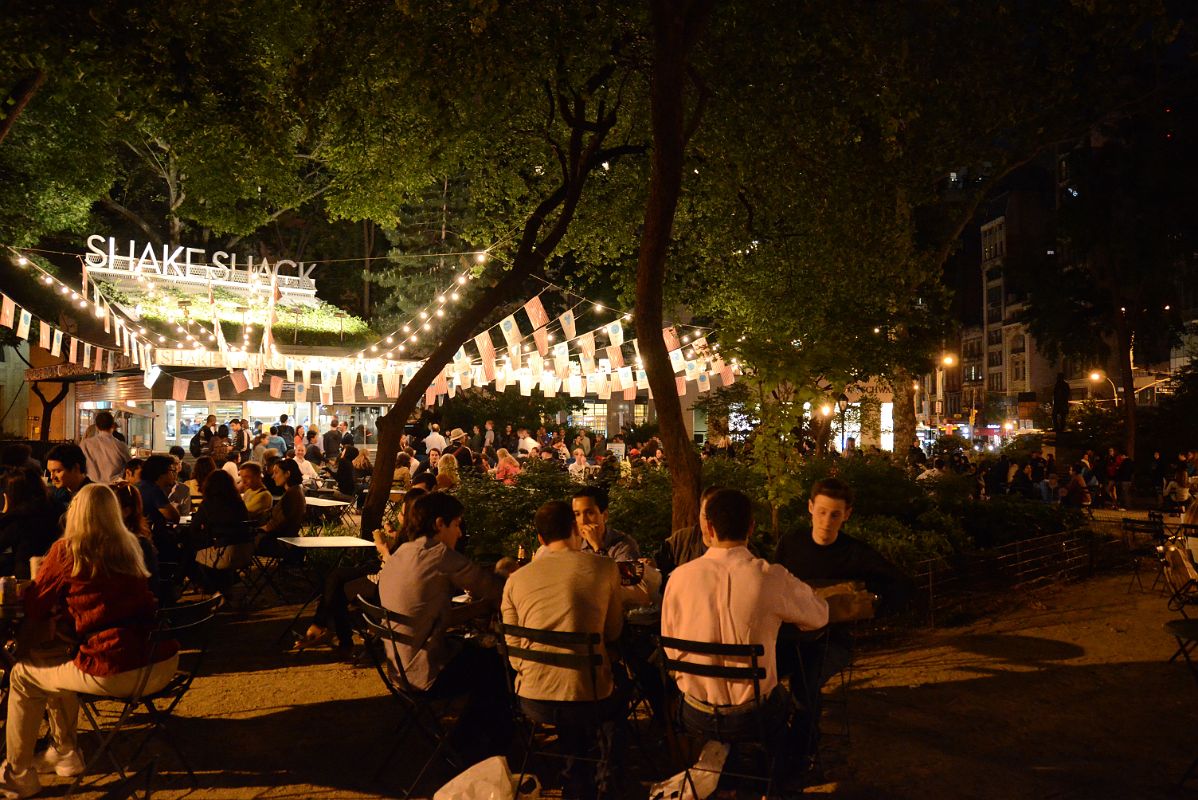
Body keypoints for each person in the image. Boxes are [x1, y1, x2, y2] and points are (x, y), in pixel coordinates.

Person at [0, 485, 179, 798]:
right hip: (160, 660)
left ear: (74, 513)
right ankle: (66, 752)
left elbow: (36, 607)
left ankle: (18, 774)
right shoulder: (131, 545)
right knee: (57, 664)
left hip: (116, 667)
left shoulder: (68, 549)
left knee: (23, 676)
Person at [661, 488, 828, 787]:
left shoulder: (678, 578)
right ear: (751, 526)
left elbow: (671, 650)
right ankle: (780, 781)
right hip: (754, 716)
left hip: (695, 711)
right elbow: (819, 615)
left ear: (708, 528)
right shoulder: (769, 576)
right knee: (793, 698)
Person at [774, 478, 912, 763]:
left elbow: (901, 585)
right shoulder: (791, 544)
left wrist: (870, 609)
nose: (826, 521)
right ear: (810, 507)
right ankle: (768, 738)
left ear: (847, 514)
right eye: (822, 511)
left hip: (832, 641)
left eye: (835, 514)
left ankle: (802, 752)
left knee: (805, 681)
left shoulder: (856, 554)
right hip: (788, 636)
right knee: (756, 673)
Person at [501, 500, 625, 798]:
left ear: (541, 540)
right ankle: (604, 779)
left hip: (533, 696)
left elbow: (513, 647)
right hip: (589, 693)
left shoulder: (515, 580)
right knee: (618, 691)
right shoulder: (605, 567)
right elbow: (613, 631)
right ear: (575, 529)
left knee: (574, 693)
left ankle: (575, 776)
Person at [378, 492, 511, 764]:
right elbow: (493, 588)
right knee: (499, 668)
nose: (460, 533)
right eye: (457, 524)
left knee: (483, 661)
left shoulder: (403, 552)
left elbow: (428, 615)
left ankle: (472, 742)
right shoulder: (438, 556)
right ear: (440, 524)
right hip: (423, 672)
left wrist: (476, 609)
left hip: (398, 665)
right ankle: (478, 748)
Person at [298, 488, 428, 656]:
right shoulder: (409, 533)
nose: (399, 515)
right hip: (381, 569)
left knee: (339, 588)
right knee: (336, 575)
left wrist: (384, 551)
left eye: (402, 512)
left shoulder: (420, 540)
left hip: (386, 580)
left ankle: (332, 634)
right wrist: (391, 538)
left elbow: (398, 567)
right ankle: (323, 627)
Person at [191, 470, 254, 589]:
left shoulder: (208, 503)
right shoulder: (238, 503)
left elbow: (194, 527)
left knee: (190, 551)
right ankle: (228, 582)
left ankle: (209, 587)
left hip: (223, 553)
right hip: (246, 551)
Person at [0, 468, 60, 578]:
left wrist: (4, 514)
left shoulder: (19, 519)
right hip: (54, 573)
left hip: (27, 579)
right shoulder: (55, 508)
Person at [137, 455, 183, 565]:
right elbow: (174, 517)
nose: (174, 474)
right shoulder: (154, 490)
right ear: (161, 473)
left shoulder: (139, 486)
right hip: (154, 540)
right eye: (172, 470)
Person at [572, 486, 640, 561]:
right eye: (577, 514)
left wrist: (598, 547)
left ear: (605, 515)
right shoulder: (571, 543)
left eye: (589, 513)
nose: (582, 521)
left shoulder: (623, 545)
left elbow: (613, 572)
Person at [259, 460, 306, 543]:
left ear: (287, 474)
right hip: (284, 538)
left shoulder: (292, 494)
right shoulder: (295, 490)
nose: (273, 477)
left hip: (280, 541)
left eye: (276, 473)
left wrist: (256, 530)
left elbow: (276, 524)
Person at [79, 410, 128, 483]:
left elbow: (79, 467)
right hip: (114, 488)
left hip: (91, 487)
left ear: (96, 427)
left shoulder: (84, 444)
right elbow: (131, 465)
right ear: (112, 425)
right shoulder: (120, 445)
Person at [45, 444, 92, 514]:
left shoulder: (93, 495)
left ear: (75, 468)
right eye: (50, 471)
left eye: (58, 471)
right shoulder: (55, 494)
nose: (52, 477)